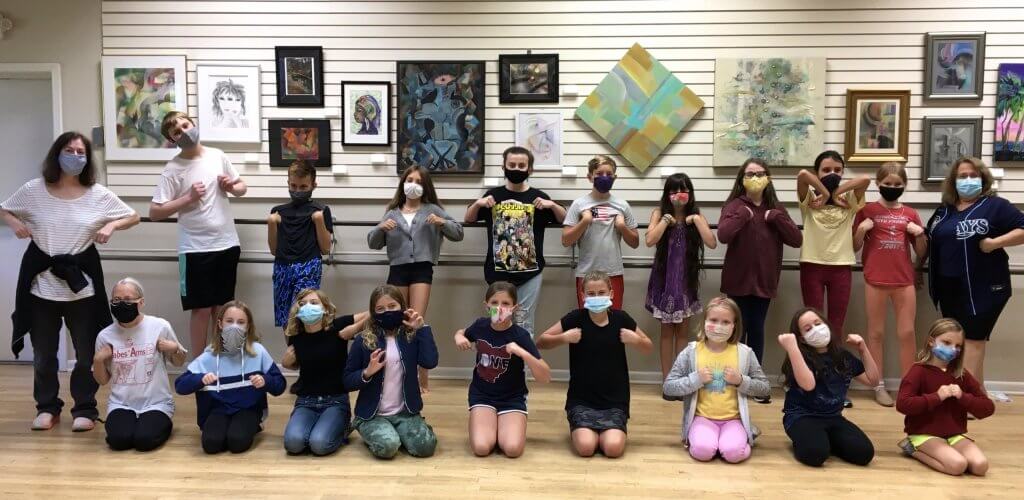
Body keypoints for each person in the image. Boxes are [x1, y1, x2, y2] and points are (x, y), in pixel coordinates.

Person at [1, 131, 139, 431]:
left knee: (87, 354)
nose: (75, 156)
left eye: (81, 152)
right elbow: (4, 208)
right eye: (69, 150)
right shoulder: (34, 190)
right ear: (57, 153)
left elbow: (133, 216)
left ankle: (85, 408)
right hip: (42, 286)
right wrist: (13, 222)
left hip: (82, 287)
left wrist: (112, 225)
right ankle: (47, 407)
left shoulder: (98, 194)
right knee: (44, 355)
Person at [922, 157, 1024, 396]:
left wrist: (994, 243)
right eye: (962, 176)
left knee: (973, 342)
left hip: (984, 287)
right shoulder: (944, 210)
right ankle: (978, 395)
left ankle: (962, 398)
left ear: (983, 179)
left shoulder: (995, 206)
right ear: (953, 181)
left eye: (973, 176)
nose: (968, 180)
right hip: (949, 287)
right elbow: (930, 240)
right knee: (960, 341)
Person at [150, 111, 247, 357]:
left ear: (194, 124)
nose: (184, 132)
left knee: (223, 309)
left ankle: (224, 360)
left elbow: (242, 188)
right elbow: (155, 212)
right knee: (201, 309)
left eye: (186, 125)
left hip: (226, 244)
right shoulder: (173, 168)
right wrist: (188, 198)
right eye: (177, 132)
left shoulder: (217, 155)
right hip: (194, 249)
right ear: (171, 140)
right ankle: (199, 364)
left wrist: (231, 186)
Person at [537, 271, 652, 458]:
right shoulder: (575, 318)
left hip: (614, 401)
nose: (596, 297)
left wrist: (636, 340)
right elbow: (541, 341)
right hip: (582, 400)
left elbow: (648, 347)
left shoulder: (621, 318)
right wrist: (563, 338)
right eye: (591, 293)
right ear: (583, 296)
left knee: (613, 449)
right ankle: (581, 428)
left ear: (611, 294)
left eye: (601, 292)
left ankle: (608, 431)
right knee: (586, 448)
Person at [369, 165, 463, 392]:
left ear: (425, 186)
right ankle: (397, 372)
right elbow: (373, 242)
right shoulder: (392, 212)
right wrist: (381, 228)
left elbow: (458, 233)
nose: (413, 185)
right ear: (403, 183)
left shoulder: (432, 209)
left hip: (422, 269)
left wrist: (442, 223)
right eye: (410, 180)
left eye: (419, 181)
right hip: (398, 269)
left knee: (416, 321)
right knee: (395, 320)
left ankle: (422, 375)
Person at [717, 158, 802, 404]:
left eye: (760, 173)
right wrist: (741, 217)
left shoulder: (775, 208)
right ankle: (732, 380)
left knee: (756, 330)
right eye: (750, 174)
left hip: (764, 281)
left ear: (768, 178)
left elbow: (796, 239)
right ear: (742, 179)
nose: (755, 178)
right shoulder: (735, 205)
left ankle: (754, 383)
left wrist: (776, 218)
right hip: (737, 281)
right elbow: (723, 235)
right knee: (735, 332)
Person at [465, 146, 566, 336]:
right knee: (497, 321)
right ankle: (498, 356)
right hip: (497, 272)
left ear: (530, 169)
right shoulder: (493, 195)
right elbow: (469, 218)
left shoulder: (539, 197)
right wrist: (478, 203)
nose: (516, 169)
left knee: (525, 324)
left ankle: (523, 357)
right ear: (503, 167)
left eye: (521, 165)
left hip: (530, 273)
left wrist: (552, 205)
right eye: (512, 165)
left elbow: (564, 219)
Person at [852, 162, 926, 406]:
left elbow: (921, 252)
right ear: (878, 183)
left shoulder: (910, 213)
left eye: (897, 184)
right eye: (887, 183)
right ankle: (878, 386)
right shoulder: (867, 210)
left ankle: (908, 387)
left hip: (903, 281)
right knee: (875, 334)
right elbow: (854, 246)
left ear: (904, 185)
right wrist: (861, 230)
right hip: (875, 280)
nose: (892, 187)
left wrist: (920, 234)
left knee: (907, 333)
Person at [662, 296, 770, 463]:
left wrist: (741, 381)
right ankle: (716, 442)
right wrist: (695, 379)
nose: (719, 326)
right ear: (704, 321)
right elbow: (668, 387)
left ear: (734, 325)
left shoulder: (745, 353)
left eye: (726, 322)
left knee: (734, 454)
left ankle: (742, 436)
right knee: (702, 452)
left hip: (733, 420)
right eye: (713, 320)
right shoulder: (691, 352)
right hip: (701, 419)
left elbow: (765, 389)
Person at [174, 300, 287, 454]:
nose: (234, 326)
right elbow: (180, 386)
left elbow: (280, 385)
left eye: (240, 322)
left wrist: (265, 381)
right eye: (229, 321)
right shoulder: (209, 355)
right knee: (211, 445)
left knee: (237, 442)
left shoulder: (258, 352)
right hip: (218, 409)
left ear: (248, 326)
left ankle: (254, 425)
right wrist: (200, 379)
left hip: (248, 408)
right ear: (220, 324)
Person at [455, 281, 551, 458]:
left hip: (511, 399)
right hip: (482, 395)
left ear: (514, 307)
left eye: (505, 303)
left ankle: (505, 425)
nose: (499, 308)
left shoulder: (520, 336)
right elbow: (462, 332)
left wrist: (522, 352)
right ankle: (490, 424)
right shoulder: (480, 326)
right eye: (494, 303)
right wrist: (459, 337)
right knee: (481, 448)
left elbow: (544, 376)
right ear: (486, 306)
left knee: (512, 449)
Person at [778, 308, 880, 467]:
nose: (816, 329)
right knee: (815, 454)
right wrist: (793, 349)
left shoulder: (842, 357)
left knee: (864, 453)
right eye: (808, 329)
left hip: (833, 417)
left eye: (818, 323)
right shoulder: (799, 358)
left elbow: (873, 380)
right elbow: (808, 385)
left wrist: (862, 348)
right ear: (802, 339)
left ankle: (825, 439)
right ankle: (813, 440)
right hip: (802, 416)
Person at [344, 285, 437, 459]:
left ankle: (407, 429)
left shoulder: (412, 337)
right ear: (373, 313)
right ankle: (362, 425)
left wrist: (422, 329)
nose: (387, 312)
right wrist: (367, 372)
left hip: (405, 413)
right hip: (373, 415)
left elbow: (430, 362)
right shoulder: (363, 340)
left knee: (426, 448)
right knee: (388, 447)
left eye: (392, 306)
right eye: (380, 309)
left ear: (402, 307)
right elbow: (347, 380)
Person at [93, 278, 185, 451]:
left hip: (156, 403)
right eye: (117, 300)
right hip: (121, 403)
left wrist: (174, 349)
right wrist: (98, 360)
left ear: (141, 302)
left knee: (144, 441)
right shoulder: (105, 336)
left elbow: (179, 363)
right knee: (119, 441)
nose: (122, 304)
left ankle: (161, 424)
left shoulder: (159, 326)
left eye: (128, 300)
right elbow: (102, 380)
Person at [896, 318, 994, 476]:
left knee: (980, 466)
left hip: (953, 435)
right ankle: (911, 448)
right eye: (947, 343)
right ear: (931, 342)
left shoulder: (961, 375)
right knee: (957, 465)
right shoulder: (918, 371)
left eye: (958, 346)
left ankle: (946, 451)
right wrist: (937, 397)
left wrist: (963, 397)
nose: (952, 349)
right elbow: (903, 404)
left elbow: (988, 408)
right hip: (924, 434)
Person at [645, 173, 717, 379]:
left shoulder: (696, 215)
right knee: (666, 332)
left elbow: (712, 243)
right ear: (667, 193)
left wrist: (696, 220)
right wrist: (665, 220)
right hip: (664, 281)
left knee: (683, 332)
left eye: (683, 190)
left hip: (685, 281)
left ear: (690, 193)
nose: (679, 194)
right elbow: (649, 240)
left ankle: (681, 378)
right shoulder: (658, 213)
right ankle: (667, 380)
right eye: (674, 190)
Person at [281, 289, 368, 456]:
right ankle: (319, 428)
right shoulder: (296, 336)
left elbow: (372, 313)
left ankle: (343, 427)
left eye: (314, 303)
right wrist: (286, 364)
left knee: (319, 445)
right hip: (306, 401)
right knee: (293, 444)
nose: (308, 306)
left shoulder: (338, 326)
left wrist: (355, 328)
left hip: (335, 401)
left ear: (326, 308)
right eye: (303, 304)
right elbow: (303, 364)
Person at [561, 155, 639, 308]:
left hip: (613, 272)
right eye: (599, 174)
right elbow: (566, 240)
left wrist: (622, 227)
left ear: (615, 177)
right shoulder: (578, 204)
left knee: (614, 317)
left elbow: (635, 242)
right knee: (587, 318)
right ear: (590, 177)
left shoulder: (622, 205)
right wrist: (584, 221)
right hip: (586, 273)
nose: (604, 177)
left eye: (609, 174)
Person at [268, 160, 333, 331]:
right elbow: (274, 250)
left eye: (303, 187)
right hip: (282, 266)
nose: (297, 191)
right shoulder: (278, 211)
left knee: (305, 313)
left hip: (308, 265)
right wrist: (272, 224)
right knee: (285, 317)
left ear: (313, 185)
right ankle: (291, 348)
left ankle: (305, 348)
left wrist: (319, 220)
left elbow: (326, 249)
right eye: (294, 186)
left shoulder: (320, 210)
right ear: (288, 183)